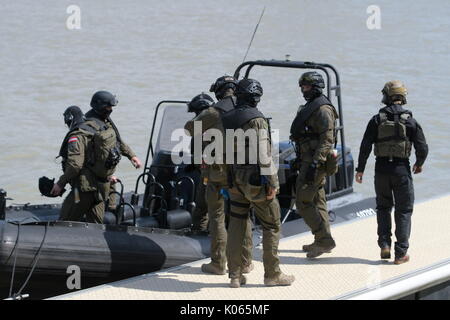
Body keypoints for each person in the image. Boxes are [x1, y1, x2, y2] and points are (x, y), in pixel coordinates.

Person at [222, 78, 294, 288]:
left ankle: (235, 274)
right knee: (271, 224)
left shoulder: (226, 118)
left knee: (236, 223)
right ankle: (273, 274)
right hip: (256, 182)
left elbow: (224, 153)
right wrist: (272, 182)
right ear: (256, 97)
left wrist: (229, 181)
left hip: (236, 179)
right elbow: (264, 154)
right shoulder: (257, 119)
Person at [185, 76, 254, 276]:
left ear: (218, 91)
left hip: (218, 172)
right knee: (242, 214)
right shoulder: (247, 109)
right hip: (243, 170)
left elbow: (190, 129)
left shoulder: (213, 112)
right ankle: (246, 261)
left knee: (217, 215)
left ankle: (218, 263)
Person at [355, 81, 428, 264]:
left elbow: (365, 146)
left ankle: (385, 245)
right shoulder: (411, 121)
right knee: (403, 210)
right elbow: (423, 147)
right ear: (403, 97)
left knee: (383, 207)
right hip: (401, 169)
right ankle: (401, 253)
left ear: (386, 96)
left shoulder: (376, 119)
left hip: (381, 170)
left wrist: (360, 169)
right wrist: (419, 164)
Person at [51, 91, 142, 223]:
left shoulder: (78, 134)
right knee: (95, 225)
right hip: (102, 187)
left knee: (65, 223)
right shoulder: (100, 126)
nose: (110, 110)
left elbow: (75, 165)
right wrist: (131, 156)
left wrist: (60, 183)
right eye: (108, 107)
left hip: (84, 190)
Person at [290, 71, 339, 259]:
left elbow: (327, 140)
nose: (304, 90)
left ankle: (324, 240)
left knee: (303, 202)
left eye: (307, 86)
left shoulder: (323, 109)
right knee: (318, 201)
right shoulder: (312, 106)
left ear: (316, 87)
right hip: (307, 159)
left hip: (314, 163)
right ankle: (322, 240)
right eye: (302, 86)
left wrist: (315, 165)